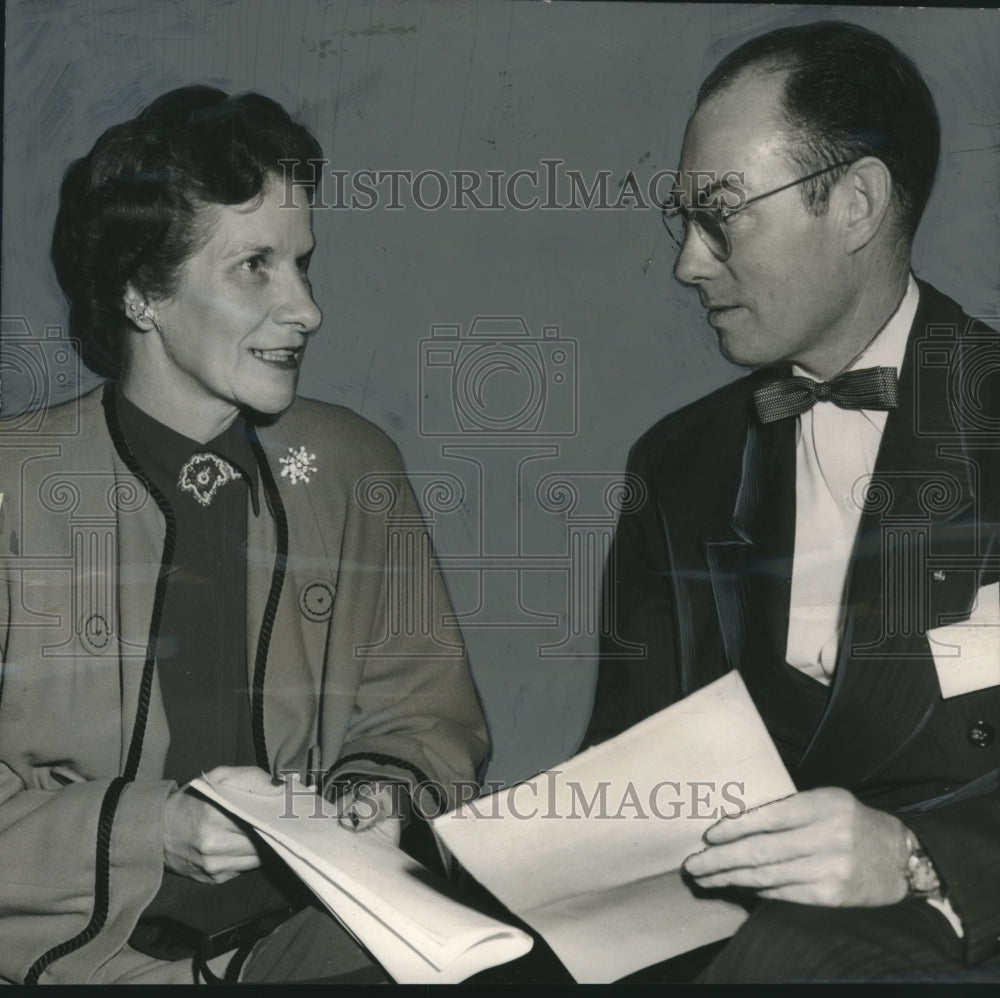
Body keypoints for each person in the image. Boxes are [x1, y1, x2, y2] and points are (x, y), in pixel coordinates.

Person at [0, 86, 489, 984]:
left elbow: (423, 711)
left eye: (304, 263)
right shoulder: (13, 486)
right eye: (255, 266)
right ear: (142, 293)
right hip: (68, 963)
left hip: (301, 937)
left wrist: (372, 801)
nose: (306, 309)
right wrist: (163, 829)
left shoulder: (352, 465)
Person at [584, 21, 1000, 982]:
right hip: (719, 941)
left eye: (722, 216)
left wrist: (913, 854)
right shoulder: (678, 464)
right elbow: (630, 763)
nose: (689, 263)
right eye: (680, 219)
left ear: (854, 202)